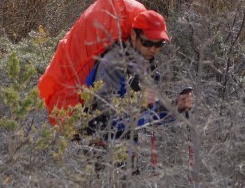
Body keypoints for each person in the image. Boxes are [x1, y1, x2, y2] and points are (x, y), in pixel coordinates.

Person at [83, 9, 194, 143]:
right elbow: (105, 114)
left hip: (128, 150)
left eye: (159, 44)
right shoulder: (112, 63)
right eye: (147, 43)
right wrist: (138, 104)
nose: (153, 49)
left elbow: (150, 115)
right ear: (133, 34)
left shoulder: (146, 65)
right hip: (100, 151)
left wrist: (176, 106)